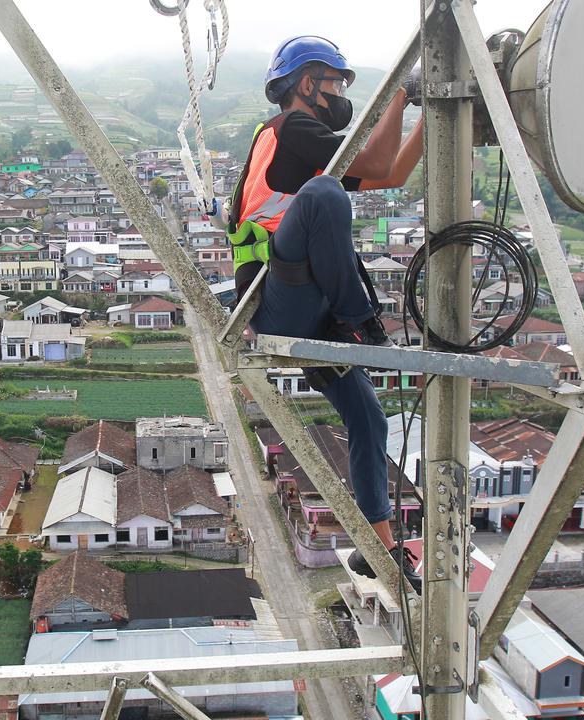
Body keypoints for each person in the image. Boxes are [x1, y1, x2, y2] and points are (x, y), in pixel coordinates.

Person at [228, 36, 423, 588]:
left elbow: (389, 174)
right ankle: (361, 323)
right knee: (325, 193)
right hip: (278, 300)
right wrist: (402, 95)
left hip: (306, 308)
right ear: (307, 83)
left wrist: (432, 119)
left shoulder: (305, 143)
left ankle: (377, 545)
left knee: (368, 417)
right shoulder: (290, 126)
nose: (339, 93)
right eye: (334, 82)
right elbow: (373, 162)